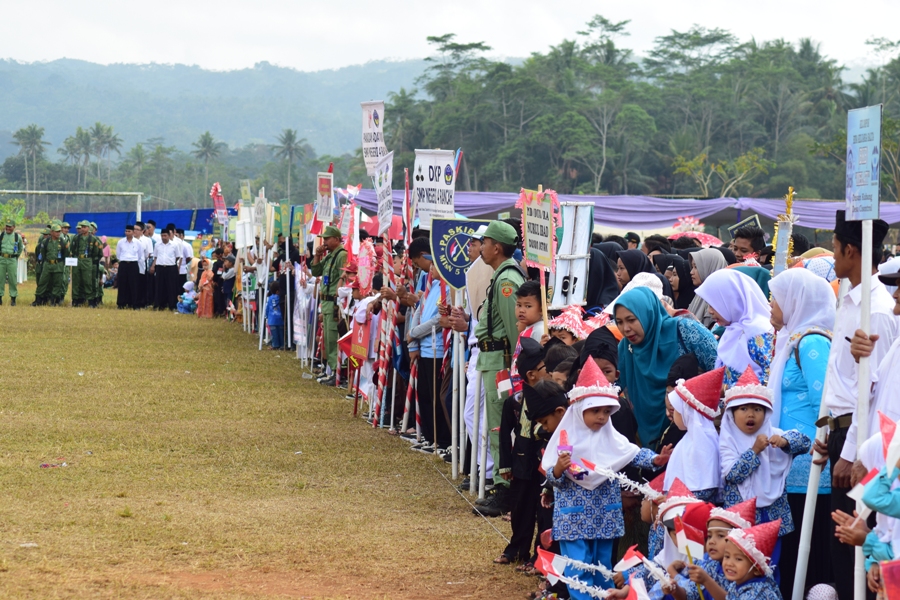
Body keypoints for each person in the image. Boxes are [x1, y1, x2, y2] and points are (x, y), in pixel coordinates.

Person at [542, 360, 671, 598]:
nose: (602, 417)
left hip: (604, 514)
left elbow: (631, 452)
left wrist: (655, 460)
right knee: (578, 566)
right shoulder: (565, 437)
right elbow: (552, 475)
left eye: (606, 411)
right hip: (574, 516)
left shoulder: (610, 436)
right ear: (580, 409)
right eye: (595, 411)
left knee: (602, 566)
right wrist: (559, 469)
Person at [819, 210, 896, 600]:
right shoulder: (849, 301)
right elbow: (844, 380)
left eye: (835, 248)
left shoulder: (878, 307)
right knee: (841, 547)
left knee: (860, 545)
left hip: (863, 439)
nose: (833, 257)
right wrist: (827, 428)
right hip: (842, 432)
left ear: (851, 250)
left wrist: (853, 450)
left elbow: (880, 395)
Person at [767, 268, 836, 595]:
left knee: (810, 555)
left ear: (795, 300)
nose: (770, 304)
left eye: (776, 297)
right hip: (788, 463)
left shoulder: (811, 343)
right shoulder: (791, 339)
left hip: (809, 468)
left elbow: (827, 404)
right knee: (793, 553)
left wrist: (823, 442)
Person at [720, 367, 811, 581]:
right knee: (740, 567)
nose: (751, 414)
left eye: (757, 409)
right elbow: (732, 474)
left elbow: (804, 442)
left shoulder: (774, 435)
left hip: (771, 517)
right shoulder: (727, 442)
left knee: (770, 566)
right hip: (741, 519)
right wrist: (754, 452)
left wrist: (786, 441)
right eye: (743, 408)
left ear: (767, 413)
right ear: (732, 413)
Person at [613, 287, 718, 448]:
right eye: (619, 322)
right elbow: (612, 386)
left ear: (647, 313)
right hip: (646, 439)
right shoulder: (625, 348)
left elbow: (719, 371)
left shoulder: (686, 332)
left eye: (631, 319)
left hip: (692, 435)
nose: (625, 328)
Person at [474, 221, 526, 515]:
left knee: (500, 426)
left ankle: (504, 489)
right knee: (496, 424)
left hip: (502, 362)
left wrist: (512, 370)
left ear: (496, 247)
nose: (480, 247)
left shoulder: (507, 280)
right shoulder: (502, 275)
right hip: (493, 359)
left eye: (485, 242)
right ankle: (501, 484)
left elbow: (513, 329)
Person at [696, 269, 775, 387]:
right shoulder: (732, 330)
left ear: (731, 301)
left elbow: (769, 378)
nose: (710, 311)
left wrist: (731, 391)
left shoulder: (758, 332)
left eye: (714, 305)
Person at [664, 367, 725, 501]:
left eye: (677, 410)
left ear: (688, 412)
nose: (674, 414)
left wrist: (676, 499)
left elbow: (706, 487)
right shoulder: (692, 439)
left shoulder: (703, 443)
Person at [310, 226, 347, 385]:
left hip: (334, 304)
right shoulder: (330, 255)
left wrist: (340, 305)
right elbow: (316, 271)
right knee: (327, 339)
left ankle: (338, 373)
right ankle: (331, 370)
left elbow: (344, 280)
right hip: (325, 303)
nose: (324, 241)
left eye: (327, 239)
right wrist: (317, 255)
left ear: (337, 239)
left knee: (333, 339)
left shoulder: (342, 255)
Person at [722, 520, 783, 599]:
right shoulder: (736, 584)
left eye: (738, 559)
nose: (729, 563)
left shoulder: (757, 594)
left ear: (757, 569)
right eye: (727, 556)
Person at [688, 249, 729, 328]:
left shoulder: (717, 298)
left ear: (710, 267)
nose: (691, 272)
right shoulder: (700, 294)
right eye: (692, 267)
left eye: (696, 267)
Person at [33, 225, 68, 306]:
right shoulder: (45, 242)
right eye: (56, 231)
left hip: (58, 265)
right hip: (48, 265)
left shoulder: (63, 242)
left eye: (59, 231)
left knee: (57, 283)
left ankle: (53, 301)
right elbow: (43, 253)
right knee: (42, 282)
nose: (58, 233)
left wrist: (61, 264)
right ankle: (38, 300)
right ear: (51, 232)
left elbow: (65, 254)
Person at [70, 221, 101, 307]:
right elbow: (72, 249)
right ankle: (75, 300)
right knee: (76, 280)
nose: (83, 229)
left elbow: (96, 252)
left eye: (85, 227)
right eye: (82, 227)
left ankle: (90, 301)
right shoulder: (76, 238)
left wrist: (90, 259)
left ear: (88, 228)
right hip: (77, 259)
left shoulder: (93, 239)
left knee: (87, 281)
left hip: (87, 260)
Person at [115, 225, 145, 310]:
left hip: (133, 264)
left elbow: (140, 255)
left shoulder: (138, 243)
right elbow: (118, 254)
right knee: (122, 284)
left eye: (129, 231)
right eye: (126, 231)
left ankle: (135, 304)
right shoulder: (120, 242)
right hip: (123, 264)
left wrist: (132, 260)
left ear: (133, 232)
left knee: (134, 285)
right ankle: (121, 303)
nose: (127, 233)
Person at [150, 228, 181, 310]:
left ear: (169, 235)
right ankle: (158, 305)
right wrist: (153, 266)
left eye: (165, 235)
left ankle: (172, 306)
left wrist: (170, 262)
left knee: (171, 287)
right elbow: (155, 256)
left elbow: (177, 256)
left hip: (171, 267)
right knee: (159, 287)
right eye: (162, 235)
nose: (163, 237)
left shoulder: (174, 245)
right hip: (160, 267)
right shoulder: (157, 245)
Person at [0, 219, 23, 305]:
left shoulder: (17, 237)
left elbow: (20, 248)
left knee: (12, 279)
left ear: (14, 227)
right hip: (1, 258)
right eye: (7, 226)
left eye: (10, 226)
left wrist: (15, 256)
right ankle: (0, 297)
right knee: (0, 278)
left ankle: (13, 298)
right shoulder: (1, 235)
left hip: (12, 259)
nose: (8, 228)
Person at [266, 281, 284, 349]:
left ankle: (275, 345)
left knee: (274, 334)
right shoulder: (281, 298)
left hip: (272, 320)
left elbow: (267, 308)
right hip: (280, 319)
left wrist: (266, 316)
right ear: (277, 291)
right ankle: (282, 345)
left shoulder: (270, 298)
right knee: (281, 333)